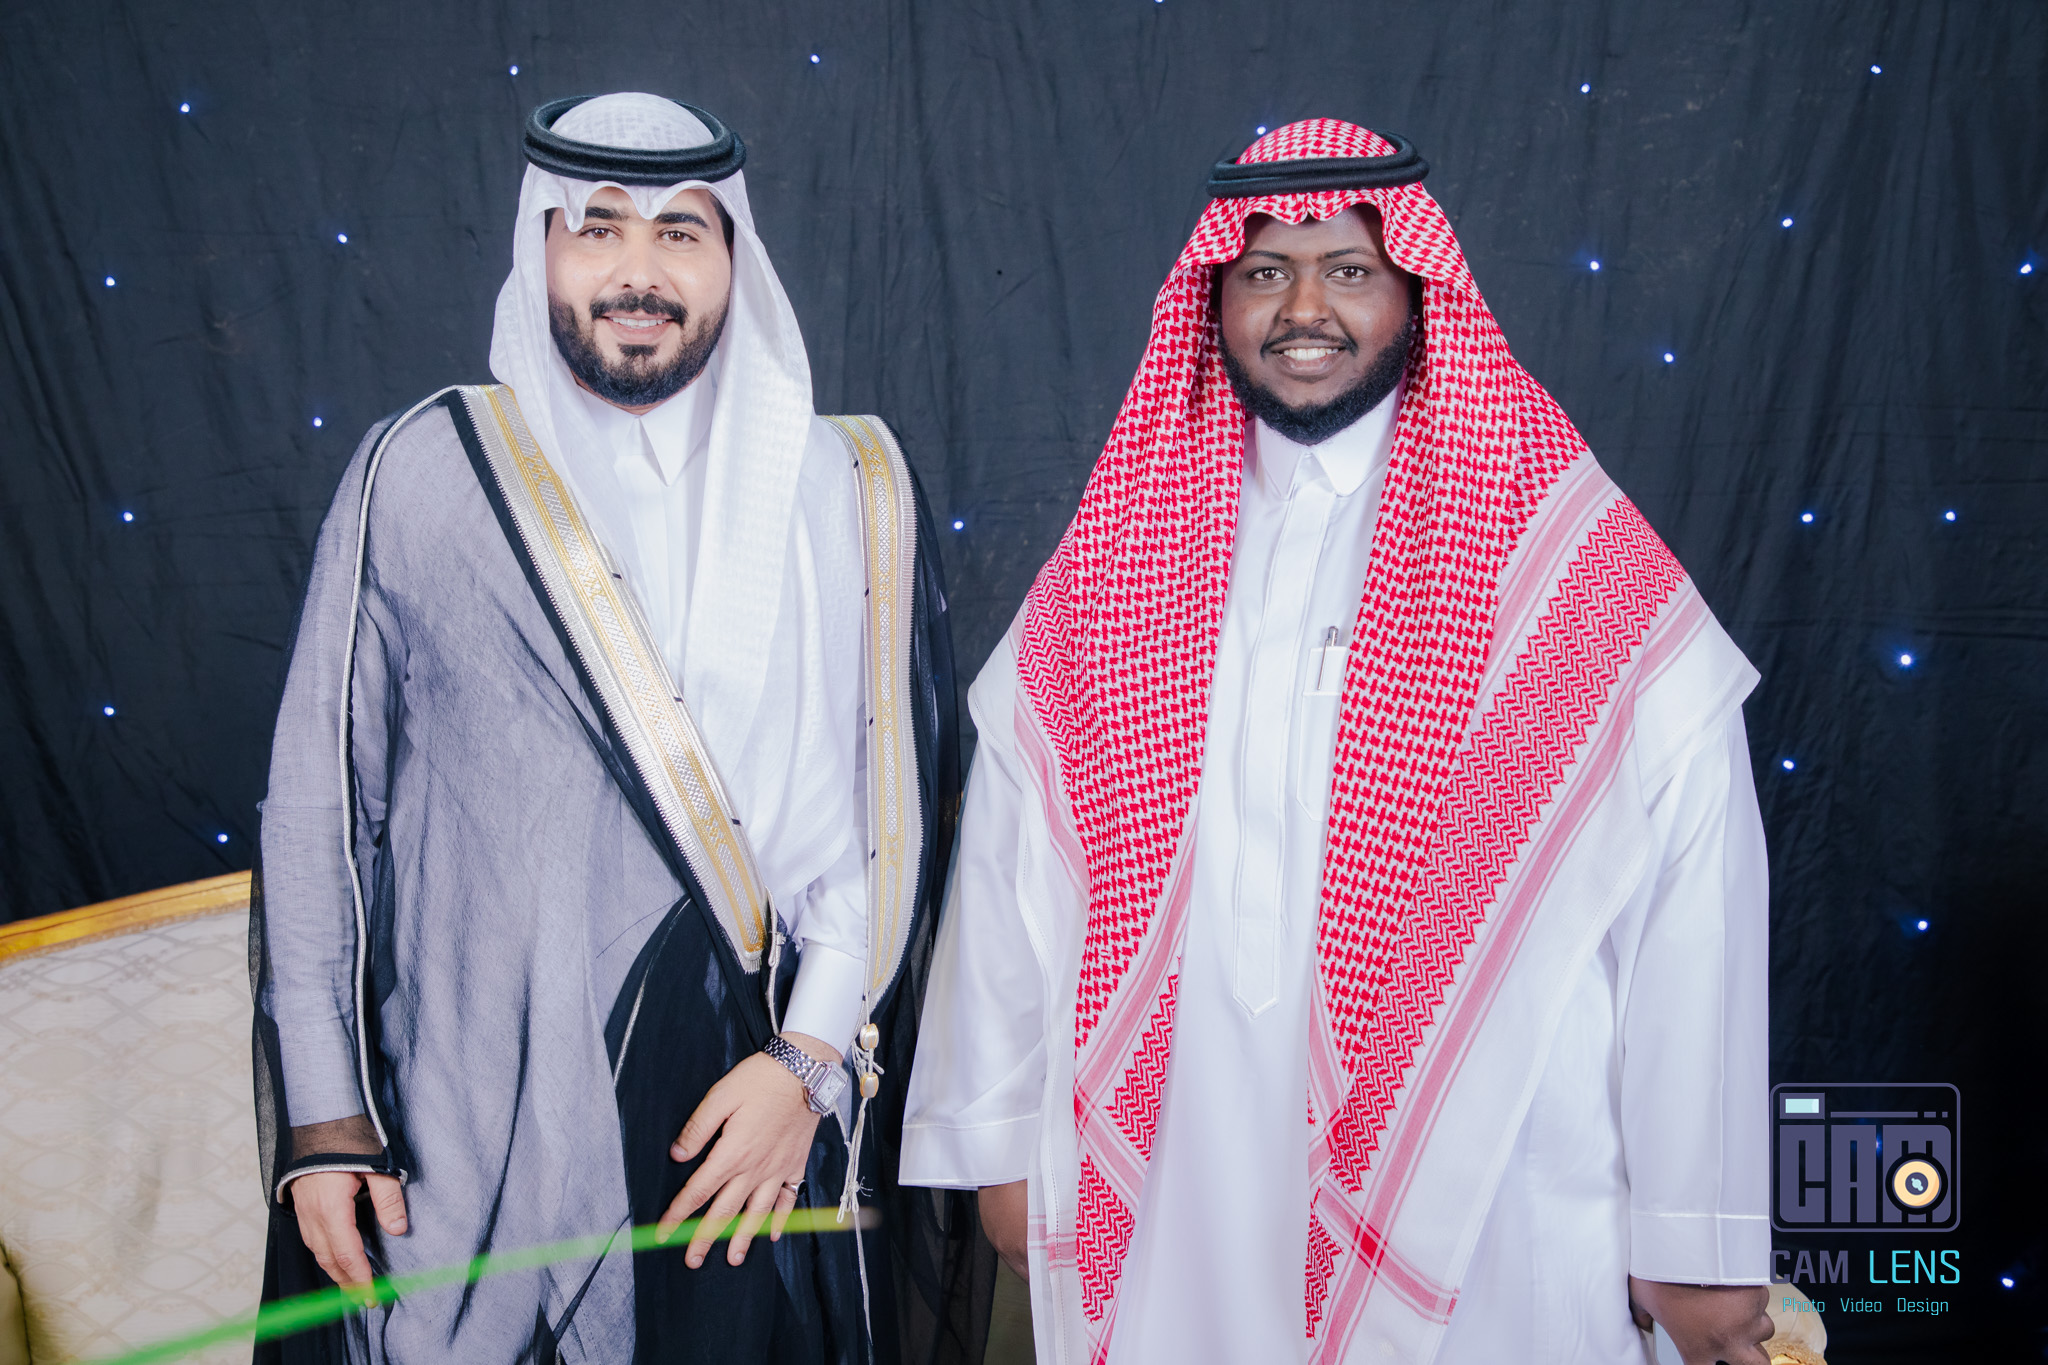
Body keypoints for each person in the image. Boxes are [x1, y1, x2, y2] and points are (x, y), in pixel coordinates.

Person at [901, 120, 1774, 1364]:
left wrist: (1695, 1233)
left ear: (1414, 293)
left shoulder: (1557, 556)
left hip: (1493, 1179)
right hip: (1175, 1177)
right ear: (1215, 299)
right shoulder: (1120, 551)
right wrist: (994, 1143)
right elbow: (1008, 859)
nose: (1303, 308)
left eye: (1348, 270)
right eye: (1264, 272)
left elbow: (1696, 901)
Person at [251, 92, 975, 1364]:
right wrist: (325, 1120)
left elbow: (881, 817)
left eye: (680, 232)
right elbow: (319, 807)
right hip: (465, 1118)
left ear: (734, 258)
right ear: (539, 247)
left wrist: (807, 1065)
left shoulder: (843, 486)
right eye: (596, 229)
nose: (637, 272)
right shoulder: (427, 468)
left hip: (752, 1109)